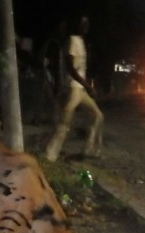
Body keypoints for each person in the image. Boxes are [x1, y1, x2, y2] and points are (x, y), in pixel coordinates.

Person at [44, 15, 104, 162]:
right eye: (82, 23)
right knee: (64, 123)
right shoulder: (72, 40)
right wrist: (87, 86)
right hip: (73, 88)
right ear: (77, 25)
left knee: (97, 116)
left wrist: (86, 86)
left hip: (80, 90)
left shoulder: (81, 41)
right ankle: (49, 155)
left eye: (87, 23)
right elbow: (70, 68)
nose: (86, 26)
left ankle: (89, 149)